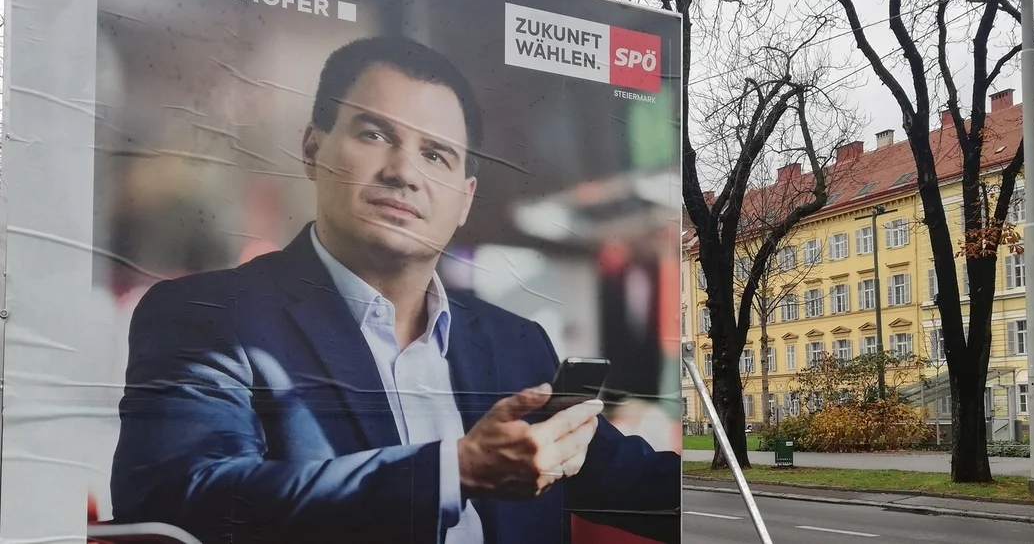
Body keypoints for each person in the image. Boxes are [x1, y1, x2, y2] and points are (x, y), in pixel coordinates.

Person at [109, 35, 681, 544]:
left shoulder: (517, 345)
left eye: (436, 155)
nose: (404, 171)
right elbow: (180, 501)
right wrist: (452, 473)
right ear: (313, 148)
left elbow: (643, 487)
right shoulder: (208, 316)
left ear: (465, 198)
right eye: (376, 133)